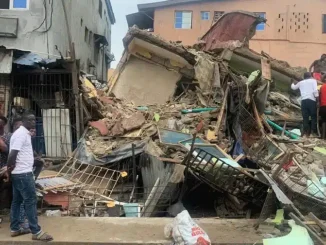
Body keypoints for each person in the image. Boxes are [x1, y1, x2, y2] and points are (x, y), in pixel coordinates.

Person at [5, 112, 53, 241]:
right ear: (24, 121)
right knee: (30, 201)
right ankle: (36, 231)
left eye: (34, 120)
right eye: (30, 120)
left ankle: (15, 228)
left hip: (19, 174)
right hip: (23, 174)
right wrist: (9, 171)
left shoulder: (23, 134)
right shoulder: (21, 135)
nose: (33, 122)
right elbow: (12, 155)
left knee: (17, 201)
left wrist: (11, 172)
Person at [291, 72, 319, 137]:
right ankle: (312, 132)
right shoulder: (313, 81)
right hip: (311, 101)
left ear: (304, 77)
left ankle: (306, 133)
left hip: (303, 101)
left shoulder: (301, 83)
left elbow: (293, 87)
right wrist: (317, 101)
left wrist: (292, 82)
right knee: (313, 117)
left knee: (305, 117)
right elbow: (315, 91)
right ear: (310, 76)